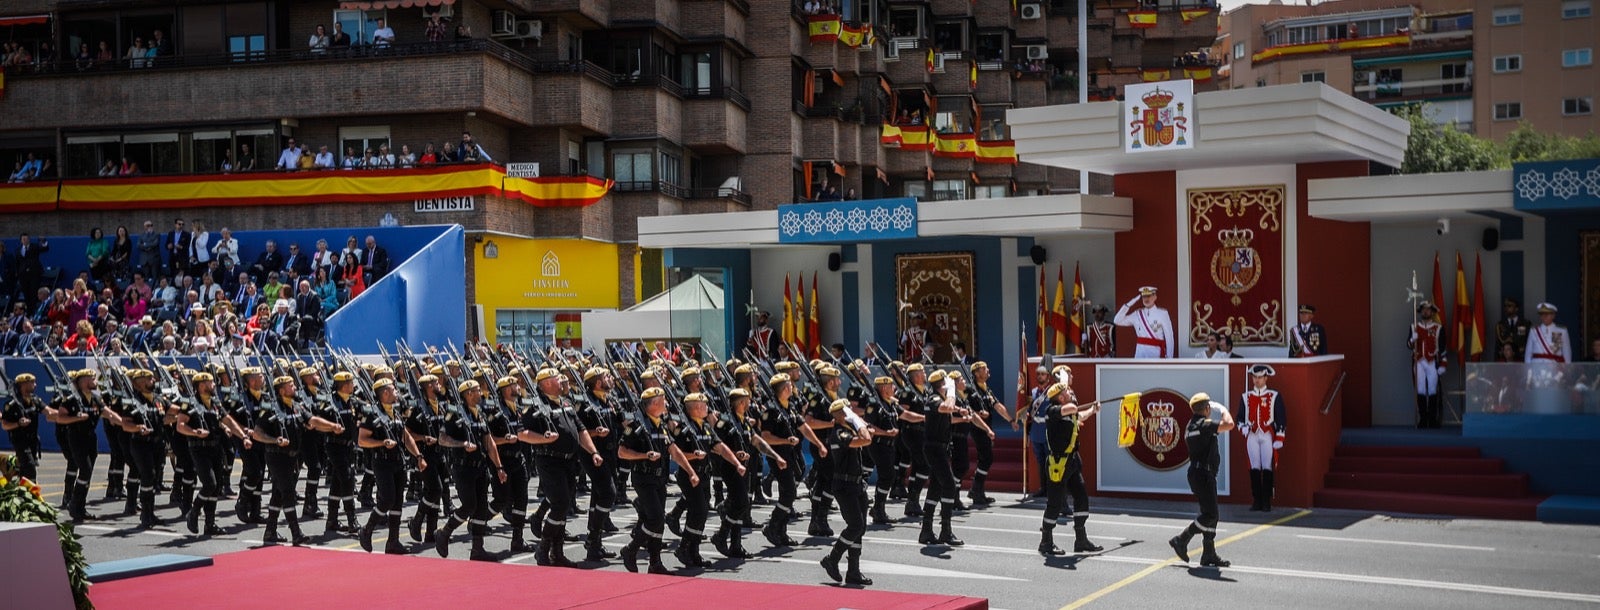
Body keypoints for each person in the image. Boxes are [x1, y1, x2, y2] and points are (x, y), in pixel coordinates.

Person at [520, 368, 604, 567]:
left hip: (569, 461)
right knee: (559, 503)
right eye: (557, 379)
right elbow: (521, 433)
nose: (562, 382)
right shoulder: (534, 406)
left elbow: (581, 429)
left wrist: (593, 452)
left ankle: (557, 553)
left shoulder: (566, 403)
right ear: (546, 383)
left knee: (564, 505)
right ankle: (543, 547)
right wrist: (542, 439)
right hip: (550, 461)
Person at [254, 375, 341, 545]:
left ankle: (270, 531)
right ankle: (296, 532)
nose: (294, 387)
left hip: (292, 457)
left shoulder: (296, 407)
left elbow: (312, 420)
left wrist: (331, 426)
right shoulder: (271, 409)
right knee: (288, 493)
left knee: (278, 495)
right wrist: (274, 440)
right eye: (290, 385)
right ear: (281, 390)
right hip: (276, 456)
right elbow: (257, 433)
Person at [617, 386, 692, 574]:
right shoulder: (636, 425)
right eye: (663, 400)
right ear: (655, 403)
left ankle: (655, 562)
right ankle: (630, 549)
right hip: (643, 478)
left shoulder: (660, 424)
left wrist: (690, 471)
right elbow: (622, 452)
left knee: (657, 522)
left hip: (660, 478)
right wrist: (643, 455)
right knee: (656, 518)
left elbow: (674, 451)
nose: (666, 404)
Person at [433, 379, 507, 561]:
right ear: (468, 394)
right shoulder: (454, 413)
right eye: (476, 391)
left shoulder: (479, 413)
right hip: (463, 467)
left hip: (480, 467)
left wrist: (499, 467)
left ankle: (477, 549)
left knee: (481, 508)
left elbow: (489, 443)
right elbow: (442, 438)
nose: (480, 393)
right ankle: (444, 532)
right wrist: (461, 444)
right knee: (469, 505)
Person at [173, 371, 247, 537]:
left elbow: (227, 420)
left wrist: (242, 436)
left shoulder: (215, 403)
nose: (215, 385)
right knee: (209, 484)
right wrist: (194, 432)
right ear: (201, 385)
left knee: (216, 488)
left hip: (215, 448)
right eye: (211, 382)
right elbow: (180, 425)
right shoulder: (189, 403)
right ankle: (194, 510)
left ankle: (210, 524)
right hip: (199, 448)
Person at [1037, 368, 1102, 555]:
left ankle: (1081, 540)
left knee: (1081, 497)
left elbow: (1078, 415)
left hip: (1072, 462)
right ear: (1059, 397)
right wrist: (1074, 400)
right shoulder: (1053, 410)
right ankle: (1046, 542)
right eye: (1065, 391)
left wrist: (1092, 410)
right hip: (1058, 464)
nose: (1069, 392)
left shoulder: (1067, 409)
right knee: (1054, 504)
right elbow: (1072, 409)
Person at [359, 378, 427, 554]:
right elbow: (362, 440)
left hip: (398, 462)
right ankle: (366, 530)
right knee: (387, 499)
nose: (397, 392)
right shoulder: (372, 414)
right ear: (385, 393)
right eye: (393, 389)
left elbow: (406, 437)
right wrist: (382, 442)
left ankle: (393, 541)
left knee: (397, 502)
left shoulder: (395, 412)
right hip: (382, 462)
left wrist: (418, 455)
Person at [1169, 392, 1234, 568]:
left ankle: (1208, 554)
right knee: (1210, 515)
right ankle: (1181, 539)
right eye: (1209, 408)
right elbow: (1229, 424)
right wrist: (1223, 410)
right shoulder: (1204, 424)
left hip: (1200, 474)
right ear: (1206, 408)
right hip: (1202, 474)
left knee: (1212, 515)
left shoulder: (1192, 425)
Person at [820, 398, 875, 585]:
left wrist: (860, 425)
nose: (851, 412)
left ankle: (853, 571)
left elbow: (868, 437)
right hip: (844, 486)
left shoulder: (848, 430)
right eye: (847, 410)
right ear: (839, 414)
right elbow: (866, 439)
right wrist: (859, 422)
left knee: (860, 529)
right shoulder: (839, 433)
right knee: (855, 526)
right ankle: (832, 558)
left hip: (857, 484)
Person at [916, 369, 964, 546]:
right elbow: (946, 407)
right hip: (934, 449)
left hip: (940, 448)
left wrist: (963, 414)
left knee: (935, 488)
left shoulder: (938, 399)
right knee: (950, 485)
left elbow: (948, 414)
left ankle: (926, 530)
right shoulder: (934, 399)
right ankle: (945, 530)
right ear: (943, 384)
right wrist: (952, 391)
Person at [1237, 364, 1285, 512]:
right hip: (1252, 435)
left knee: (1267, 467)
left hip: (1267, 435)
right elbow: (1239, 418)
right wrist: (1243, 427)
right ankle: (1256, 500)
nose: (1257, 380)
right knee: (1254, 468)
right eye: (1254, 377)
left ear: (1265, 378)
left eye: (1260, 377)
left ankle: (1266, 501)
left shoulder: (1274, 395)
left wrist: (1279, 438)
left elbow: (1281, 418)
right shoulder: (1246, 396)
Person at [1409, 301, 1446, 428]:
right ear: (1420, 311)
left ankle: (1432, 419)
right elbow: (1408, 346)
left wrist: (1443, 364)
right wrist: (1412, 339)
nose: (1426, 311)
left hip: (1432, 361)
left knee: (1432, 389)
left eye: (1428, 310)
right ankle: (1423, 419)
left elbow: (1442, 348)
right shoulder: (1414, 326)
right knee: (1420, 389)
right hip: (1419, 361)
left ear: (1432, 312)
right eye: (1423, 309)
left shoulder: (1438, 328)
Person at [2, 373, 45, 480]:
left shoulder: (34, 400)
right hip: (20, 441)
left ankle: (22, 494)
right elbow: (5, 425)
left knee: (24, 470)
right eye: (32, 382)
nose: (35, 385)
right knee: (30, 469)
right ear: (23, 385)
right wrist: (18, 424)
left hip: (33, 440)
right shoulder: (12, 404)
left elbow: (48, 411)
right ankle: (32, 494)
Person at [1114, 286, 1174, 358]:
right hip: (1140, 354)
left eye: (1149, 296)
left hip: (1156, 354)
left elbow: (1169, 336)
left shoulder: (1162, 313)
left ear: (1155, 297)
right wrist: (1129, 304)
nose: (1146, 299)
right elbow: (1117, 320)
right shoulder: (1137, 314)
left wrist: (1169, 357)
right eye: (1144, 296)